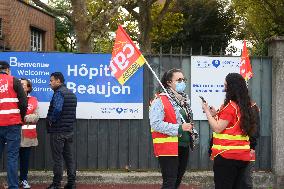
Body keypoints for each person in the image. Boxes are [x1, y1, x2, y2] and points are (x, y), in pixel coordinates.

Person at [201, 73, 257, 189]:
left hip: (226, 156)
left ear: (230, 87)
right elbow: (232, 127)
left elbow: (217, 128)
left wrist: (207, 111)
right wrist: (215, 114)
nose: (224, 87)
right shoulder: (246, 106)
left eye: (225, 84)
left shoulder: (230, 106)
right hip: (243, 156)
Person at [149, 68, 194, 189]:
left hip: (184, 145)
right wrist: (179, 128)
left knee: (177, 181)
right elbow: (156, 124)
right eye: (179, 80)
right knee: (170, 181)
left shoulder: (184, 100)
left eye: (183, 79)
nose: (182, 82)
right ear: (169, 82)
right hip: (168, 146)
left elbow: (186, 121)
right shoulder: (159, 100)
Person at [46, 72, 77, 189]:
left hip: (58, 132)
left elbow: (58, 109)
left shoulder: (59, 93)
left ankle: (56, 184)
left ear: (58, 81)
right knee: (69, 158)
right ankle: (71, 183)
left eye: (51, 80)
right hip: (69, 131)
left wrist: (50, 120)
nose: (50, 83)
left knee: (57, 159)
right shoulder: (72, 94)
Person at [0, 61, 27, 189]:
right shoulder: (14, 81)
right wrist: (20, 117)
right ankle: (13, 187)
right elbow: (23, 102)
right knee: (12, 157)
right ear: (8, 70)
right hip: (12, 123)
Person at [19, 78, 40, 189]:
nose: (21, 86)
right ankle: (12, 181)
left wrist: (25, 117)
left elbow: (37, 116)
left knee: (25, 159)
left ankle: (24, 180)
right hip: (14, 134)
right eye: (19, 84)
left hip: (28, 135)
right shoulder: (12, 99)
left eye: (23, 84)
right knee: (12, 160)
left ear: (28, 87)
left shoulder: (33, 100)